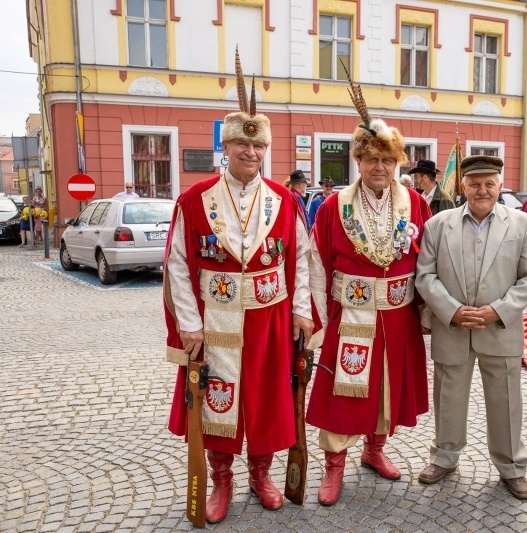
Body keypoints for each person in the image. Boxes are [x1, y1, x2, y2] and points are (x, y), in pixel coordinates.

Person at [163, 50, 314, 524]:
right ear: (225, 148)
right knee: (217, 399)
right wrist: (189, 324)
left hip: (271, 317)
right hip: (218, 320)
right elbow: (179, 266)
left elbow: (302, 260)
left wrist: (303, 311)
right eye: (241, 146)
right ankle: (222, 478)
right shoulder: (195, 199)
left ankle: (261, 475)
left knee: (268, 399)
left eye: (259, 148)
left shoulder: (285, 201)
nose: (251, 154)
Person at [305, 100, 432, 505]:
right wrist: (318, 320)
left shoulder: (415, 204)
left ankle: (374, 450)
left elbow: (428, 261)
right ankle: (334, 465)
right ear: (357, 160)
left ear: (397, 163)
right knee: (344, 391)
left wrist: (427, 312)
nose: (380, 167)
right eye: (371, 158)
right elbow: (317, 265)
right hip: (350, 314)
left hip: (398, 314)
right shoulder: (333, 207)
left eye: (387, 160)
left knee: (386, 388)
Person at [415, 155, 527, 500]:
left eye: (489, 183)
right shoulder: (439, 224)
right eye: (474, 183)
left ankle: (512, 467)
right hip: (452, 328)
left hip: (499, 328)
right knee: (448, 397)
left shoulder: (521, 223)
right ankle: (444, 457)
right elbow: (424, 275)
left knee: (506, 401)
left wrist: (497, 311)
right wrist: (451, 311)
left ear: (500, 185)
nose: (482, 189)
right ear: (463, 186)